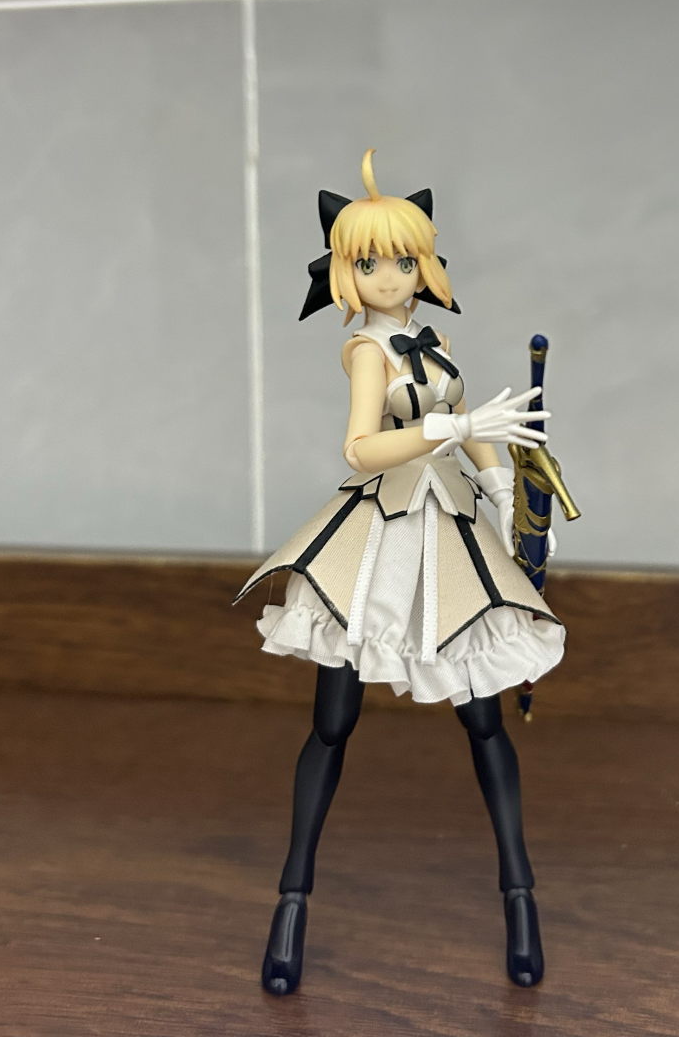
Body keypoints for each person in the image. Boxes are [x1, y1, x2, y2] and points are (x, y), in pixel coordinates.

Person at [236, 149, 566, 994]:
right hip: (380, 535)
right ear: (345, 273)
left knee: (484, 718)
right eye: (371, 263)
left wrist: (508, 494)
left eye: (405, 260)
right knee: (333, 723)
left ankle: (520, 896)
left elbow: (474, 423)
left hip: (450, 529)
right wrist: (454, 432)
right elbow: (360, 449)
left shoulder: (439, 341)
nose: (390, 277)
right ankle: (292, 901)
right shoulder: (365, 351)